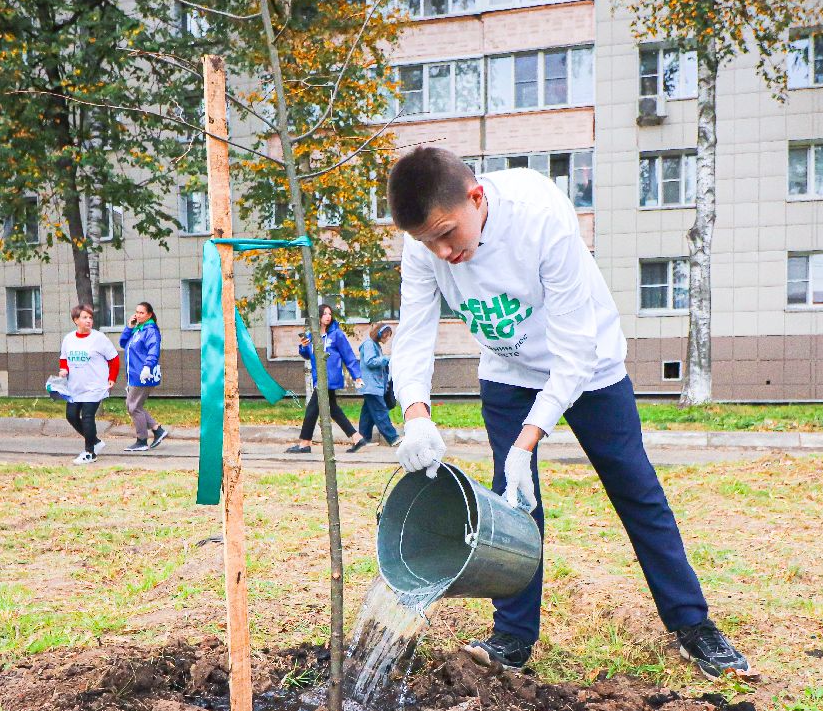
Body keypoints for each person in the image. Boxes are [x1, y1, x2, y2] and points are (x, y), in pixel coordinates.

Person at [386, 145, 751, 679]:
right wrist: (415, 415)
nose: (442, 252)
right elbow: (413, 334)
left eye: (446, 234)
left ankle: (693, 624)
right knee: (513, 507)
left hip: (590, 368)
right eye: (428, 241)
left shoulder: (540, 215)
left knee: (636, 489)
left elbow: (575, 350)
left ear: (476, 197)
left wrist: (528, 440)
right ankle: (512, 636)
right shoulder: (424, 246)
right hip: (509, 372)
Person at [287, 303, 365, 454]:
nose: (328, 317)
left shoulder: (337, 334)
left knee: (311, 410)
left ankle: (304, 444)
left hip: (330, 378)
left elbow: (348, 355)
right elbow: (307, 355)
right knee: (333, 410)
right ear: (318, 317)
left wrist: (357, 376)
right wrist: (303, 346)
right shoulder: (312, 335)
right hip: (319, 378)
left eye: (330, 314)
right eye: (324, 314)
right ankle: (356, 437)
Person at [59, 303, 120, 465]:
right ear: (75, 320)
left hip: (95, 386)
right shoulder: (69, 339)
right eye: (84, 318)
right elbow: (64, 358)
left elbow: (114, 359)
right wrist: (63, 370)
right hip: (75, 386)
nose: (88, 321)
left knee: (87, 416)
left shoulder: (99, 338)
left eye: (90, 318)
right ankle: (95, 441)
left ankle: (90, 452)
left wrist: (112, 377)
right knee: (71, 416)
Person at [119, 301, 168, 453]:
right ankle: (157, 429)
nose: (138, 315)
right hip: (134, 373)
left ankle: (141, 440)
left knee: (133, 406)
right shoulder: (138, 329)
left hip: (143, 373)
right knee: (133, 405)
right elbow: (123, 343)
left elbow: (154, 350)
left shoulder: (150, 330)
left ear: (149, 314)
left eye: (141, 313)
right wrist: (129, 327)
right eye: (137, 312)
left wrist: (147, 367)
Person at [352, 323, 400, 452]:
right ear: (380, 334)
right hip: (371, 384)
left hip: (373, 385)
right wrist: (386, 359)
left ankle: (363, 439)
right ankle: (393, 438)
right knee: (380, 411)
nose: (387, 339)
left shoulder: (374, 345)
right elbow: (370, 361)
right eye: (386, 336)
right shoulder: (369, 344)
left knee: (367, 414)